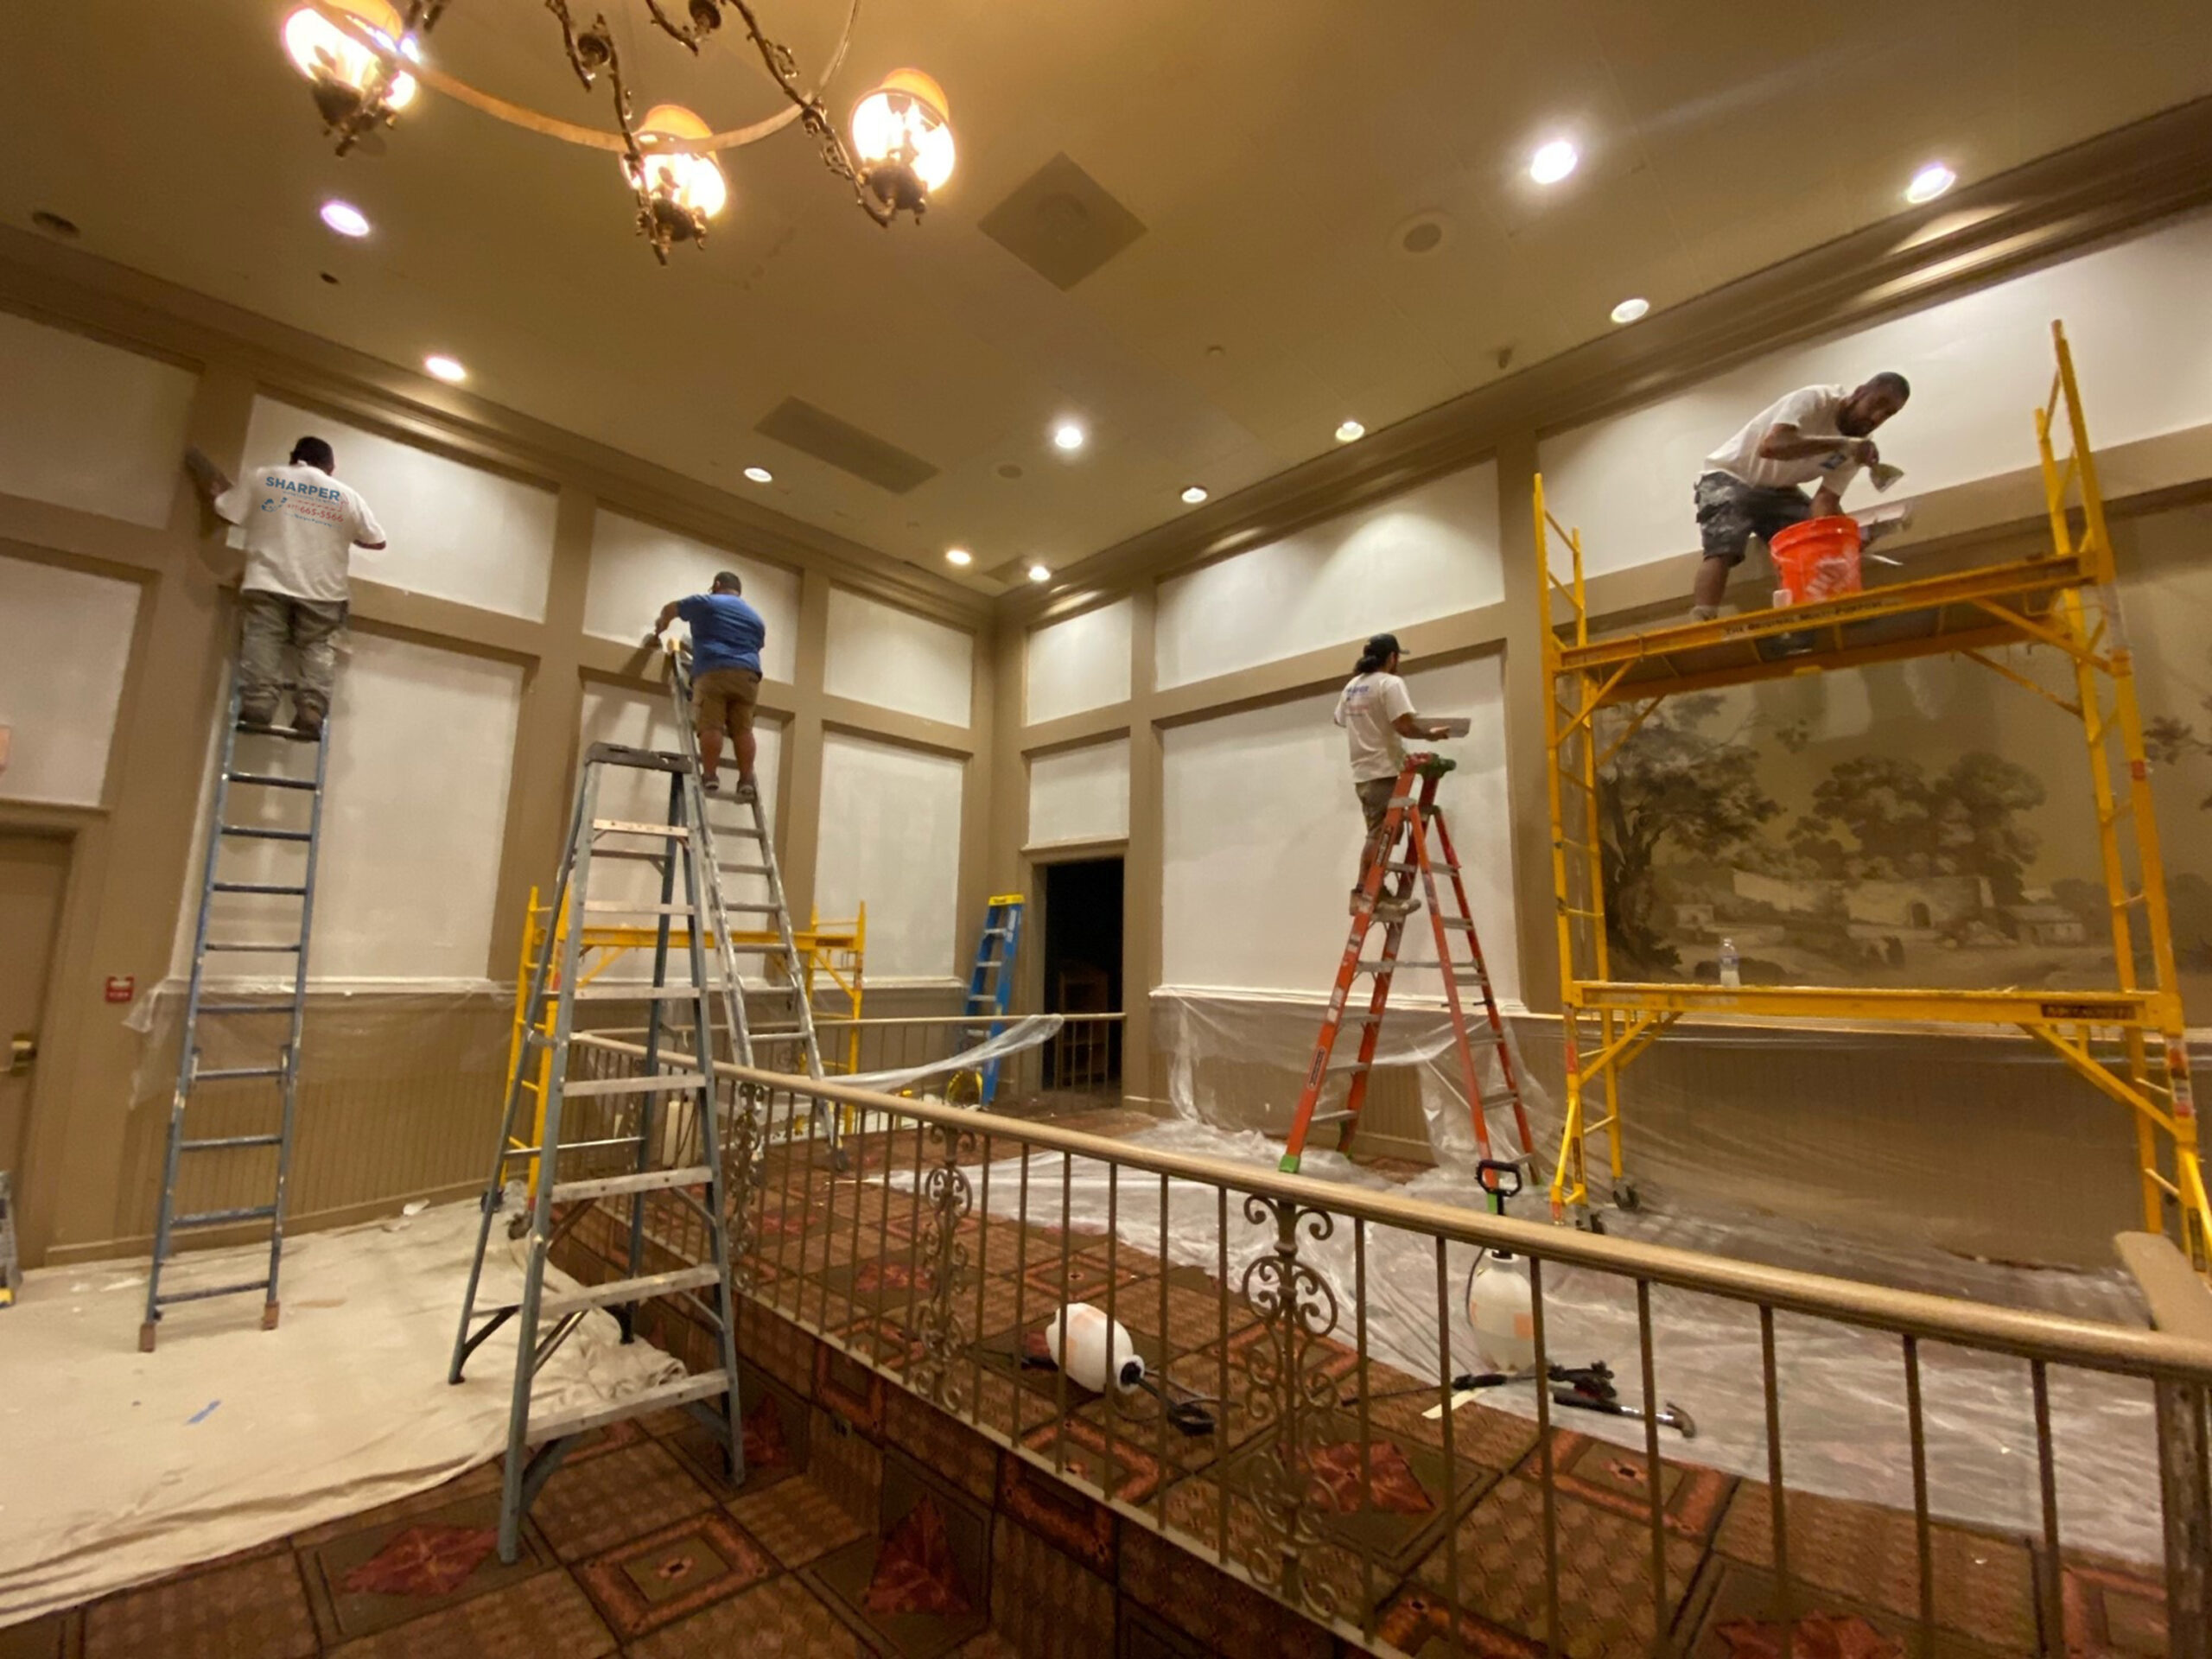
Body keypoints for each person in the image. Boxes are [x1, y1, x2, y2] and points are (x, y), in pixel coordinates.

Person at [184, 435, 387, 737]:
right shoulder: (346, 496)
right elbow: (377, 540)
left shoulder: (265, 477)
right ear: (331, 467)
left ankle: (259, 704)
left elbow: (226, 509)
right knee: (317, 646)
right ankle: (311, 708)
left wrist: (214, 489)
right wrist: (340, 531)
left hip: (269, 580)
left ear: (294, 457)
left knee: (263, 637)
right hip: (323, 589)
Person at [1690, 372, 1910, 620]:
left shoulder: (1857, 447)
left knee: (1811, 541)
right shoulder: (1816, 400)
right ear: (1859, 393)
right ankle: (1703, 621)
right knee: (1724, 545)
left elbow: (1826, 500)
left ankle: (1804, 617)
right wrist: (1842, 444)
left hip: (1780, 490)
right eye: (1877, 404)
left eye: (1888, 414)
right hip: (1730, 475)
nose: (1877, 417)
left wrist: (1842, 541)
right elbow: (1771, 446)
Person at [1334, 632, 1453, 922]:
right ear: (1392, 658)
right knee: (1382, 834)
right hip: (1384, 770)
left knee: (1382, 832)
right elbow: (1403, 725)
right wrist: (1429, 733)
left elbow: (1340, 719)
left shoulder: (1351, 687)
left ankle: (1372, 892)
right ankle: (1366, 893)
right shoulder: (1390, 683)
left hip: (1363, 773)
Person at [653, 571, 766, 797]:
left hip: (714, 673)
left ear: (716, 585)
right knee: (743, 730)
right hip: (748, 677)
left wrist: (659, 628)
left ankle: (710, 775)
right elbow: (753, 645)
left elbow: (671, 609)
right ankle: (746, 780)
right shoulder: (756, 618)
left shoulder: (707, 602)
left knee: (711, 725)